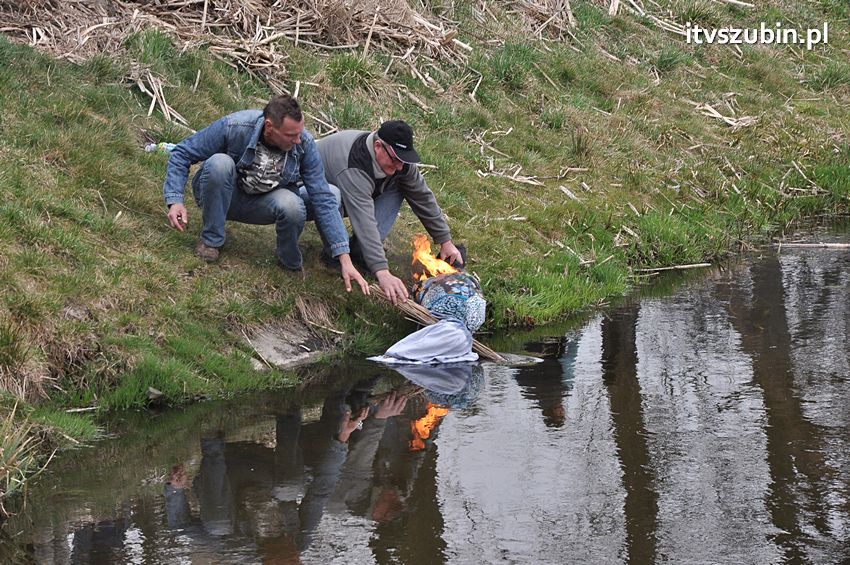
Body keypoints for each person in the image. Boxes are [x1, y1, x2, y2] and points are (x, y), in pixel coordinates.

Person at [161, 94, 369, 294]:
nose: (298, 140)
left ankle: (289, 262)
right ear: (269, 127)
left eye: (299, 133)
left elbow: (322, 197)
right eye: (290, 135)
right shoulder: (236, 126)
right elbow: (182, 152)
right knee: (219, 163)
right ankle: (211, 240)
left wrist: (344, 257)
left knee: (294, 203)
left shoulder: (304, 144)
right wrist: (175, 200)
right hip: (224, 196)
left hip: (264, 204)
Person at [316, 120, 462, 303]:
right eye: (395, 160)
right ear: (378, 146)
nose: (400, 166)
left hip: (357, 194)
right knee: (333, 196)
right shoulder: (354, 162)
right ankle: (333, 255)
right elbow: (364, 220)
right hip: (313, 196)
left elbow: (422, 197)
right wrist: (382, 272)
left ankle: (361, 252)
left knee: (401, 182)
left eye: (403, 160)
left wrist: (445, 240)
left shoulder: (399, 162)